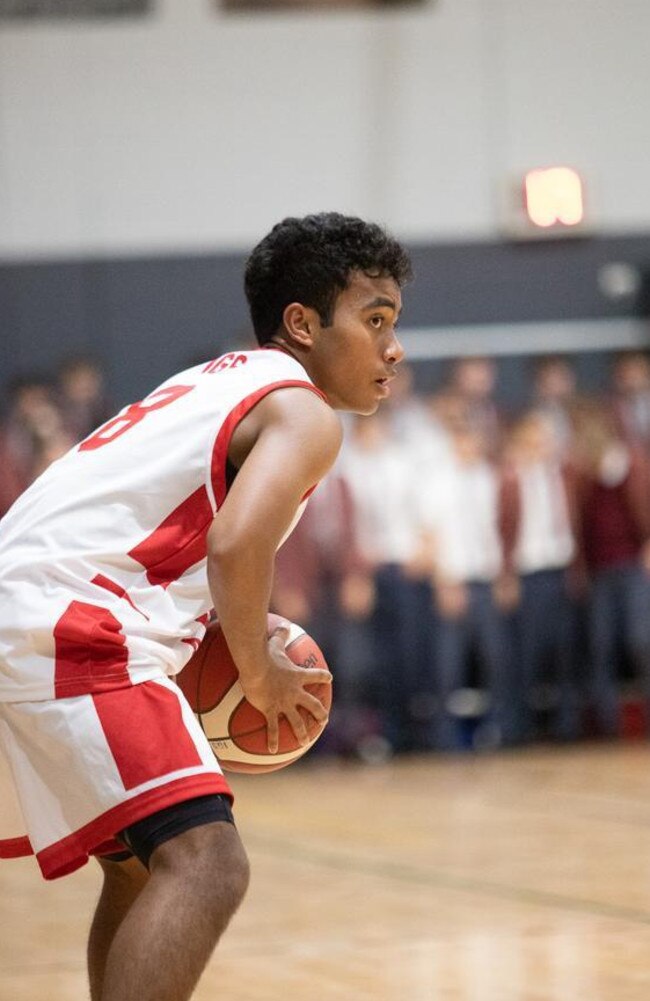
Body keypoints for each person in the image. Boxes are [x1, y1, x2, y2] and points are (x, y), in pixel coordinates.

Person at [0, 212, 411, 1001]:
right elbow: (234, 546)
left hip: (32, 609)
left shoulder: (211, 380)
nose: (393, 348)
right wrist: (257, 671)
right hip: (76, 623)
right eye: (376, 320)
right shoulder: (303, 410)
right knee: (210, 863)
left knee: (139, 861)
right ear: (301, 323)